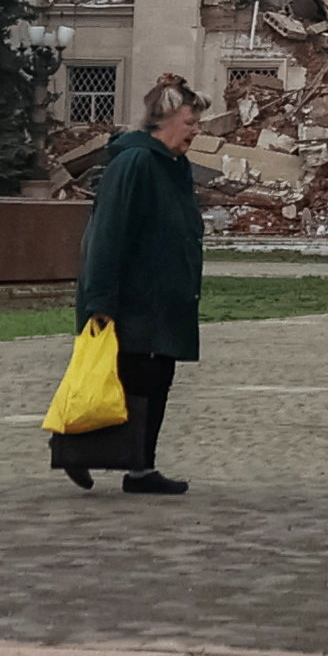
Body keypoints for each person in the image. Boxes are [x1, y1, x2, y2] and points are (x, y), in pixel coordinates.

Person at [67, 74, 206, 495]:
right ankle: (85, 452)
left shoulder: (172, 165)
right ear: (163, 120)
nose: (196, 131)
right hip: (134, 299)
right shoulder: (136, 163)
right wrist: (101, 299)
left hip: (161, 298)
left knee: (153, 378)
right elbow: (109, 234)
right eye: (190, 122)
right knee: (125, 380)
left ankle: (138, 467)